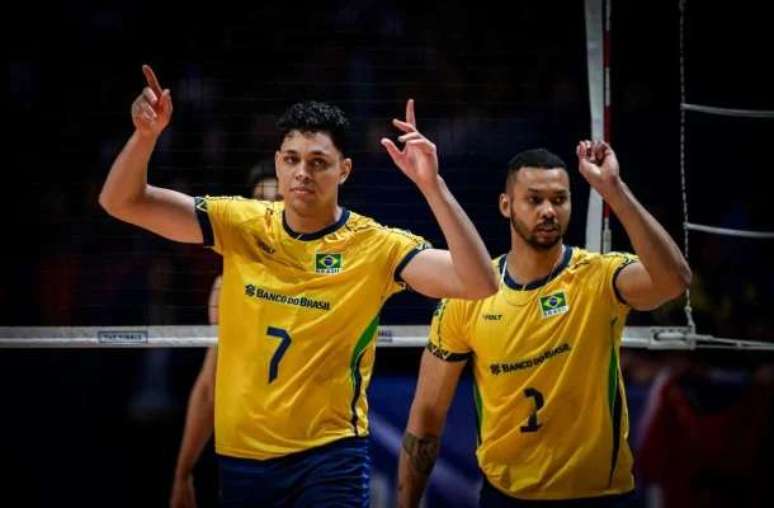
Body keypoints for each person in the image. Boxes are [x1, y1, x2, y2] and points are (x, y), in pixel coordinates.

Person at [99, 65, 498, 507]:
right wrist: (146, 136)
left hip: (330, 457)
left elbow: (479, 283)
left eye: (318, 162)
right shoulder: (240, 223)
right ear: (277, 162)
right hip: (242, 459)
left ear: (344, 170)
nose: (302, 172)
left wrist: (432, 186)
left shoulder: (375, 246)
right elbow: (120, 201)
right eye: (291, 160)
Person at [398, 143, 692, 507]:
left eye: (559, 199)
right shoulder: (469, 296)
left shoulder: (599, 277)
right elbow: (426, 417)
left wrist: (613, 189)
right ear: (506, 205)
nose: (549, 211)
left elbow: (674, 281)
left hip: (600, 498)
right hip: (506, 498)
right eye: (534, 200)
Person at [170, 165, 281, 508]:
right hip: (251, 456)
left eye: (278, 200)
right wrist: (183, 472)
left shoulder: (331, 273)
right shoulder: (227, 287)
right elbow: (209, 386)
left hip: (319, 450)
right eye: (261, 201)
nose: (270, 210)